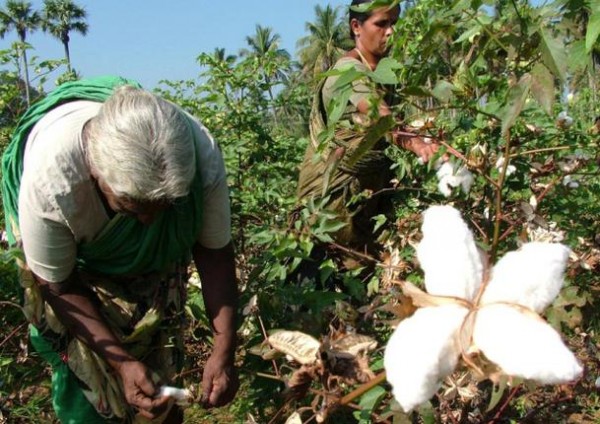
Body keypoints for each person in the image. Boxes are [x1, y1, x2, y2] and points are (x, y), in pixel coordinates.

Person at [1, 76, 238, 423]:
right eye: (131, 207)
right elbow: (59, 285)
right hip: (71, 270)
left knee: (162, 387)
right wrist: (122, 364)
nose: (146, 224)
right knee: (88, 388)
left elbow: (215, 252)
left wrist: (224, 346)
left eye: (163, 208)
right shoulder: (52, 186)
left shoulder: (199, 157)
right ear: (97, 172)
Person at [296, 0, 440, 272]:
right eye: (381, 23)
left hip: (365, 204)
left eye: (394, 23)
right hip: (332, 209)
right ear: (356, 27)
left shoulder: (384, 75)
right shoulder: (348, 71)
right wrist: (417, 144)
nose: (390, 32)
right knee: (329, 285)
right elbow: (378, 114)